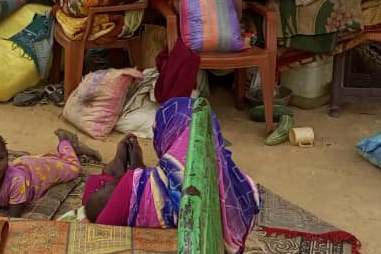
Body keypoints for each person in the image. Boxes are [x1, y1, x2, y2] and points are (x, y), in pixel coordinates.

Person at [82, 98, 260, 254]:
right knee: (153, 180)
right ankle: (126, 166)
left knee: (93, 200)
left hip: (133, 191)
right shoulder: (231, 176)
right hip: (148, 186)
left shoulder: (144, 184)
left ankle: (122, 167)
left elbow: (98, 227)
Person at [0, 128, 98, 218]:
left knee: (73, 169)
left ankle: (66, 143)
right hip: (25, 166)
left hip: (37, 172)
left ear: (7, 156)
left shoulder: (16, 181)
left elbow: (14, 216)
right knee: (51, 160)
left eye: (0, 158)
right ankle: (57, 154)